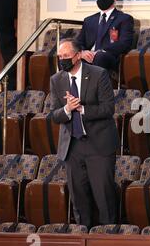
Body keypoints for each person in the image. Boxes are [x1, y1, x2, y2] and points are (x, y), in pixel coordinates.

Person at [50, 38, 119, 228]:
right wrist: (66, 109)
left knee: (103, 196)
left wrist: (81, 109)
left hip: (98, 145)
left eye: (66, 56)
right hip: (72, 147)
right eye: (59, 56)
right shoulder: (56, 80)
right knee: (79, 199)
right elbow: (54, 115)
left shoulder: (99, 74)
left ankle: (108, 238)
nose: (62, 60)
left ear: (78, 55)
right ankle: (83, 239)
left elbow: (108, 109)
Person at [76, 0, 134, 74]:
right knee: (69, 56)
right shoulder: (89, 20)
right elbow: (79, 42)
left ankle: (95, 87)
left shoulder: (124, 19)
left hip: (109, 56)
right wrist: (82, 52)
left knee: (99, 56)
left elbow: (125, 43)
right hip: (88, 55)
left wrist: (101, 51)